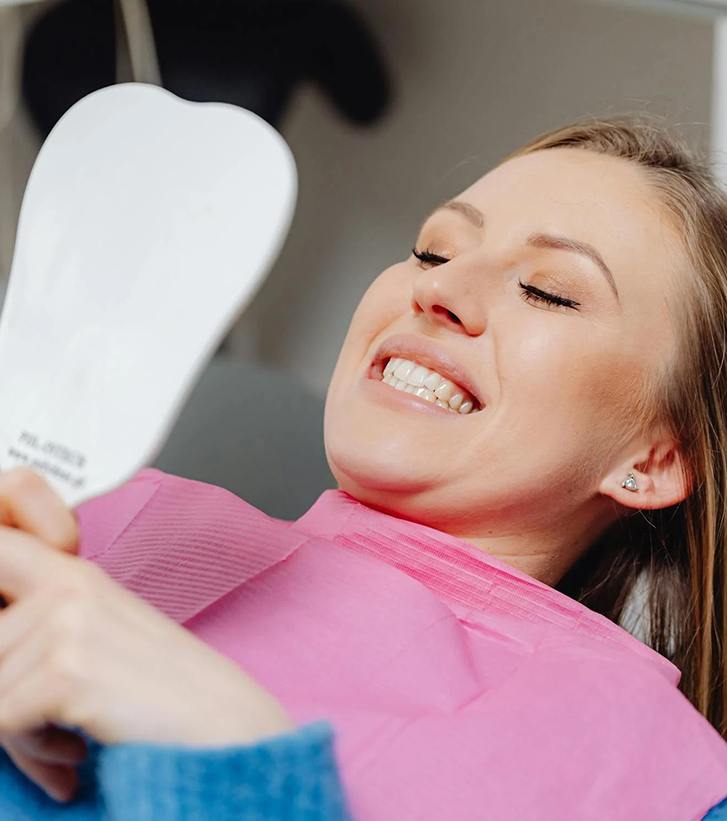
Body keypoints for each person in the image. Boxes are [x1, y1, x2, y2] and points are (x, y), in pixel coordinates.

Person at [2, 117, 727, 820]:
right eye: (432, 252)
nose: (436, 290)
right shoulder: (68, 515)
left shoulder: (670, 782)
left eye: (547, 290)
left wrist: (235, 768)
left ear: (654, 459)